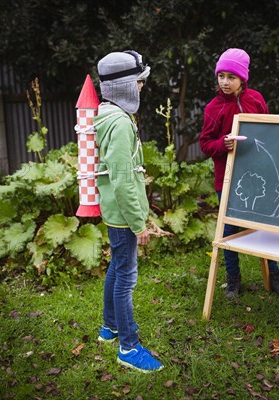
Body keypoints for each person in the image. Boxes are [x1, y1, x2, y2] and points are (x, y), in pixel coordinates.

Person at [199, 48, 279, 299]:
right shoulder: (213, 108)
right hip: (228, 179)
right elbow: (205, 143)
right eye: (221, 76)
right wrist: (223, 144)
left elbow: (269, 131)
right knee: (230, 229)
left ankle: (275, 276)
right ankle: (233, 279)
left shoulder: (256, 100)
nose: (225, 82)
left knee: (265, 225)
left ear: (243, 79)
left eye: (231, 77)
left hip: (261, 174)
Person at [94, 50, 163, 373]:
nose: (141, 88)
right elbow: (122, 180)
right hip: (123, 215)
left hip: (114, 212)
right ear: (123, 86)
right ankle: (129, 346)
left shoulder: (107, 114)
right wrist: (139, 224)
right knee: (126, 277)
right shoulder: (120, 123)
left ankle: (109, 328)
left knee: (117, 267)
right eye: (138, 82)